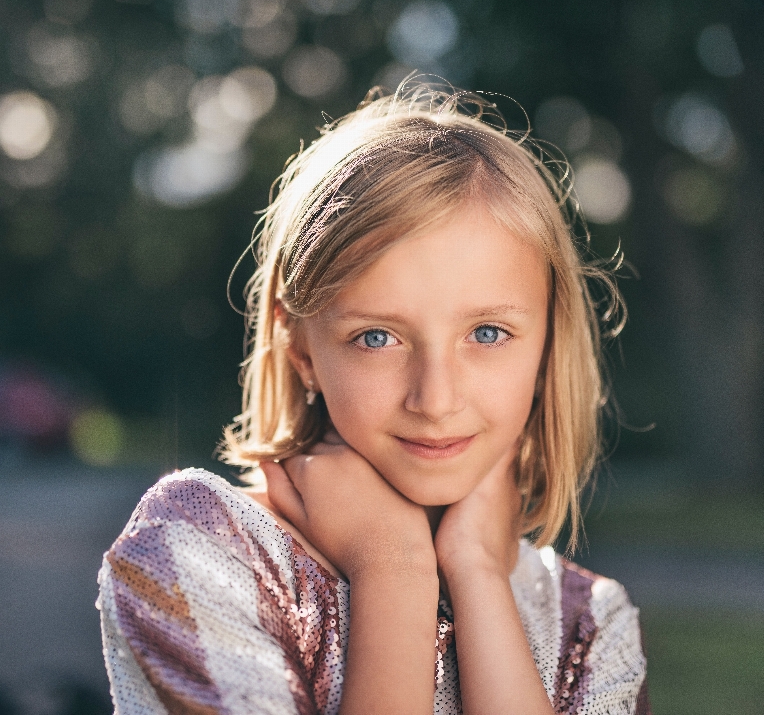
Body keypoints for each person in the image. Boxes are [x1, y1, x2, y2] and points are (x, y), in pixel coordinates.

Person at [97, 83, 650, 715]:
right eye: (377, 337)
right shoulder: (200, 551)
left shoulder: (593, 623)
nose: (435, 399)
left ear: (549, 343)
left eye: (488, 333)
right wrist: (393, 569)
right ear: (301, 348)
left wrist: (476, 574)